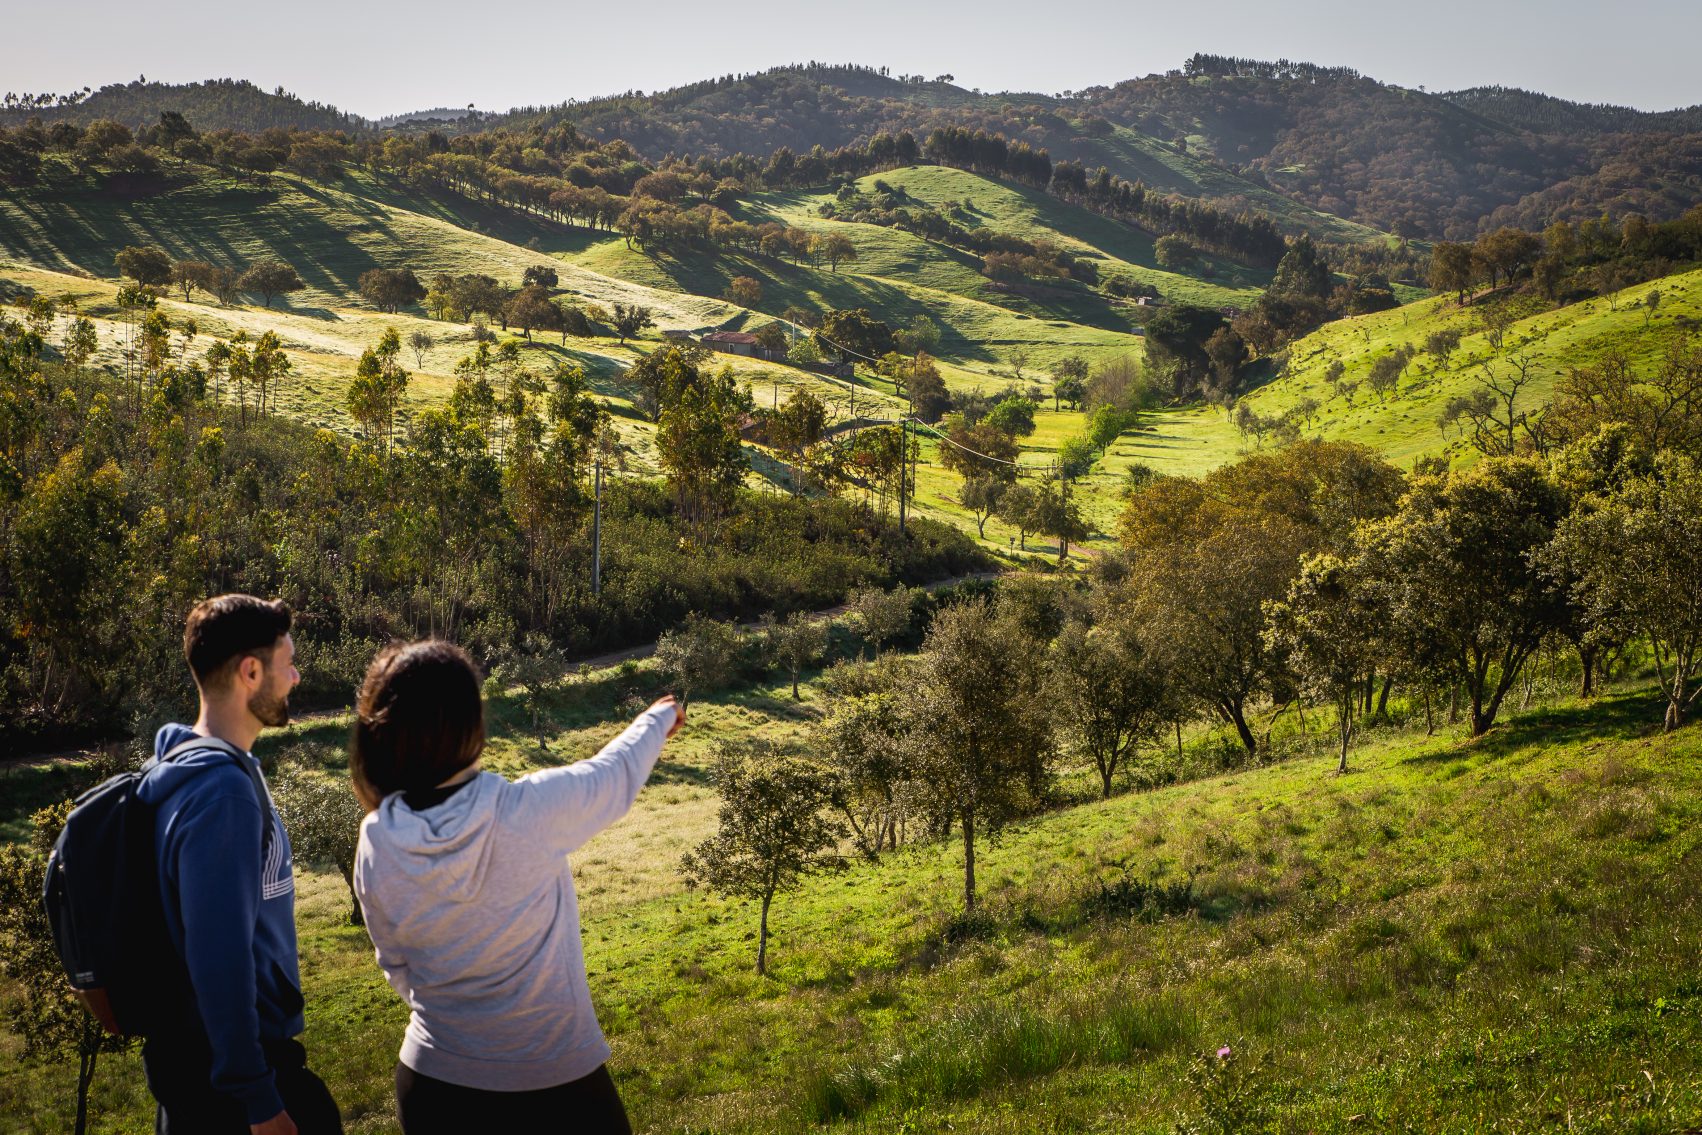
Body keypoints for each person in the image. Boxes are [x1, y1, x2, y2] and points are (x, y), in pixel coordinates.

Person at [350, 640, 684, 1134]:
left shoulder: (376, 838)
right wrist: (659, 717)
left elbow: (395, 963)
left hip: (433, 1087)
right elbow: (613, 776)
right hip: (557, 1085)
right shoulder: (526, 812)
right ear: (471, 725)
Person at [137, 594, 343, 1135]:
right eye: (287, 663)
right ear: (251, 672)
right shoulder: (222, 793)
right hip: (235, 1084)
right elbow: (219, 957)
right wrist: (258, 1099)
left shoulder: (181, 764)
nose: (296, 677)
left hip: (195, 1065)